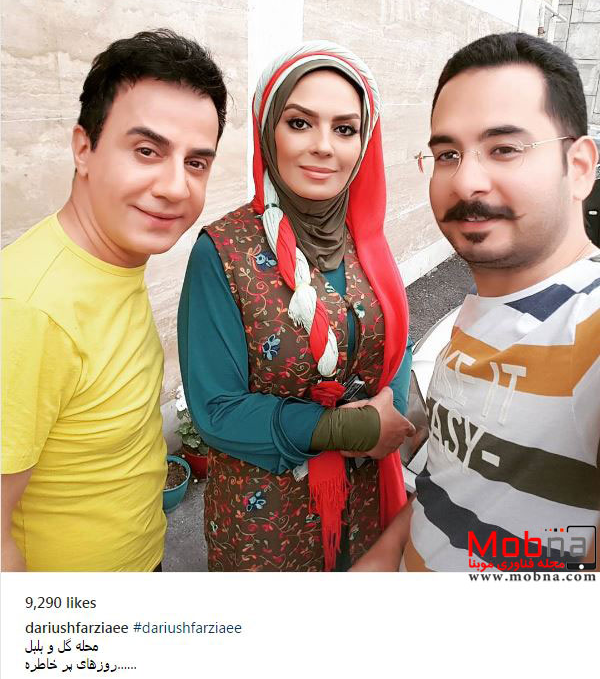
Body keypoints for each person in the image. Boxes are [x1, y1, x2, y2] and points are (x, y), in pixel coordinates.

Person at [352, 32, 599, 572]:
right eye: (447, 154)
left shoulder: (588, 327)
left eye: (504, 148)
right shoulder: (478, 316)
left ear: (579, 166)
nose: (465, 181)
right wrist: (381, 561)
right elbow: (451, 484)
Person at [178, 40, 414, 572]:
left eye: (345, 129)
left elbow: (393, 341)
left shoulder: (365, 241)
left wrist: (390, 413)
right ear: (269, 132)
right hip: (266, 523)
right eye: (300, 123)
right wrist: (352, 430)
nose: (324, 147)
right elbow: (216, 411)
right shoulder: (223, 252)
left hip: (363, 503)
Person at [1, 29, 227, 571]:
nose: (176, 187)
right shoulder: (28, 310)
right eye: (147, 151)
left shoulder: (110, 261)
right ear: (84, 148)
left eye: (196, 162)